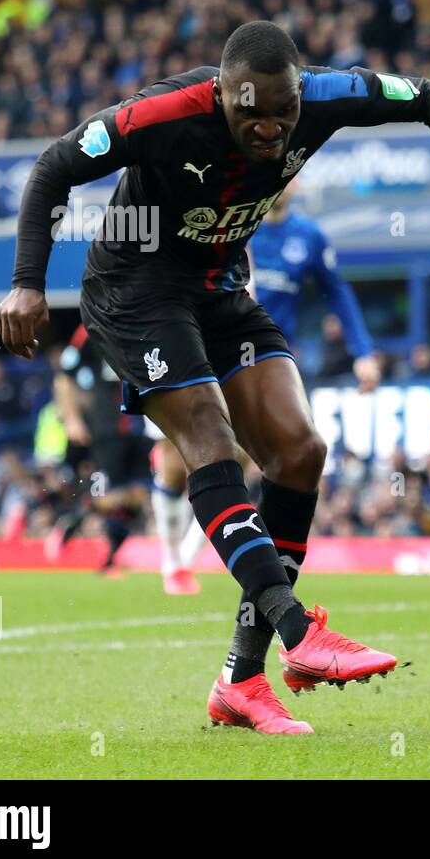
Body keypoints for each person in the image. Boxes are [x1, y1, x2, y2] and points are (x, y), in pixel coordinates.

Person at [0, 20, 430, 734]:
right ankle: (300, 633)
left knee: (301, 451)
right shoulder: (163, 113)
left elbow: (427, 94)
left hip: (221, 287)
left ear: (300, 93)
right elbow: (53, 166)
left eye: (283, 112)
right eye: (250, 113)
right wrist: (26, 284)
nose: (269, 129)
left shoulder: (326, 96)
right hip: (134, 292)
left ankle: (240, 680)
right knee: (209, 436)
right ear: (221, 94)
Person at [147, 181, 381, 596]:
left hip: (261, 365)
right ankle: (169, 556)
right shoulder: (234, 225)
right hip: (204, 347)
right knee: (174, 456)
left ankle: (182, 562)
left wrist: (362, 350)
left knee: (237, 458)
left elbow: (338, 292)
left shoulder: (308, 237)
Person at [44, 323, 152, 574]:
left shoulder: (147, 319)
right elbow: (64, 377)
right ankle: (68, 526)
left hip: (144, 427)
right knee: (106, 495)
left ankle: (111, 560)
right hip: (109, 427)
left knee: (139, 496)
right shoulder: (91, 327)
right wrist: (71, 419)